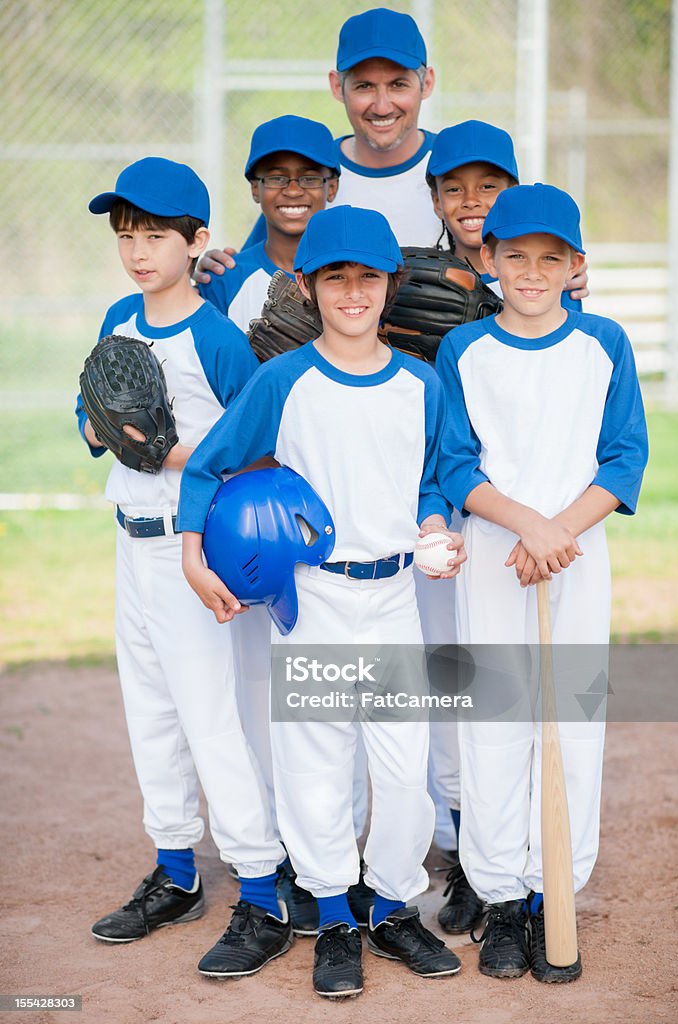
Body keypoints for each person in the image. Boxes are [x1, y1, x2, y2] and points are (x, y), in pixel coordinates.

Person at [178, 204, 465, 998]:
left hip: (396, 594)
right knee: (316, 766)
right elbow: (209, 466)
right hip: (313, 595)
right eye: (333, 276)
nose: (350, 292)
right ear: (305, 287)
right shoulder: (284, 379)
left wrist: (438, 523)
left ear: (390, 286)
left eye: (366, 277)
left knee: (404, 772)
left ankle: (393, 906)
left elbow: (436, 476)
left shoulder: (420, 382)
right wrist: (194, 556)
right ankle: (335, 915)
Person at [76, 156, 294, 979]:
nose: (139, 252)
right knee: (152, 716)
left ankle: (263, 891)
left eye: (158, 236)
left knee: (211, 722)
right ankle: (174, 873)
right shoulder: (116, 315)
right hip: (128, 546)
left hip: (188, 545)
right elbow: (93, 419)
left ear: (197, 241)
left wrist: (163, 447)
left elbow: (251, 452)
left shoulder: (214, 337)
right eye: (127, 235)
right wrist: (108, 427)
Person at [436, 183, 648, 982]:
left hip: (577, 559)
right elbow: (454, 460)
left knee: (571, 726)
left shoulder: (602, 343)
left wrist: (558, 531)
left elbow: (623, 455)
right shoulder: (467, 350)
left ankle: (548, 894)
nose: (529, 271)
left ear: (574, 266)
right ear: (487, 260)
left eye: (548, 258)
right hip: (495, 556)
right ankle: (497, 901)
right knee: (494, 727)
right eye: (513, 255)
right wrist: (529, 525)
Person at [195, 8, 589, 301]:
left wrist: (562, 276)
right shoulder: (314, 175)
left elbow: (532, 248)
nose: (382, 105)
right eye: (365, 86)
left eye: (398, 84)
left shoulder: (456, 166)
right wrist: (214, 265)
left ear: (427, 81)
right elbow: (259, 266)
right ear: (337, 86)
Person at [199, 114, 340, 331]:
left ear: (331, 187)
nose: (293, 191)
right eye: (276, 178)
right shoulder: (226, 279)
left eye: (309, 178)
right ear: (256, 189)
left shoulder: (354, 277)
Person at [427, 118, 581, 309]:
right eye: (454, 189)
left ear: (511, 193)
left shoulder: (546, 283)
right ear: (437, 202)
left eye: (487, 186)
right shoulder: (423, 280)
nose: (470, 201)